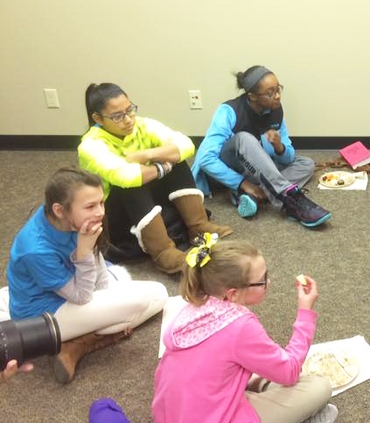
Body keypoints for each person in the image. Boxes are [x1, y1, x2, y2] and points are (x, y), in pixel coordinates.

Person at [153, 237, 336, 423]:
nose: (269, 283)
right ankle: (288, 419)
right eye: (262, 280)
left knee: (259, 366)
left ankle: (282, 406)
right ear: (232, 294)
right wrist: (305, 312)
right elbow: (289, 372)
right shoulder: (240, 326)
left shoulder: (194, 306)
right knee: (319, 387)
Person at [7, 167, 167, 383]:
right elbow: (81, 296)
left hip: (74, 287)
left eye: (101, 202)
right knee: (143, 299)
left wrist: (107, 297)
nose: (100, 211)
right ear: (59, 210)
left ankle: (78, 340)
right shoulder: (35, 249)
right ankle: (83, 341)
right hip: (43, 317)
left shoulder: (72, 219)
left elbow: (98, 272)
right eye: (90, 206)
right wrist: (84, 253)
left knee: (158, 294)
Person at [79, 83, 232, 274]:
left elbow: (186, 146)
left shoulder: (142, 125)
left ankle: (198, 226)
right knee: (132, 182)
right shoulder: (90, 145)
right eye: (117, 116)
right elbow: (125, 177)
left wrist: (145, 156)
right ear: (97, 118)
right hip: (114, 216)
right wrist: (161, 167)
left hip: (145, 201)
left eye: (130, 110)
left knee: (176, 161)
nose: (128, 120)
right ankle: (163, 252)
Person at [192, 65, 331, 227]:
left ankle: (254, 195)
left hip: (254, 170)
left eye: (278, 89)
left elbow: (289, 158)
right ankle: (289, 198)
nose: (278, 96)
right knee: (244, 138)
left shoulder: (274, 110)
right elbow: (205, 159)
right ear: (252, 96)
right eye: (270, 93)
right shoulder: (228, 111)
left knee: (306, 164)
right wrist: (241, 182)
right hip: (224, 171)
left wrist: (279, 147)